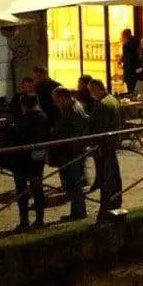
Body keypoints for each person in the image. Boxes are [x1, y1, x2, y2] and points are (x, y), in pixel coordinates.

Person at [81, 75, 125, 217]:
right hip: (113, 142)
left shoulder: (102, 105)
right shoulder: (113, 100)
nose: (91, 94)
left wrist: (93, 141)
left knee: (108, 175)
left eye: (92, 90)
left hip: (105, 144)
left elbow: (100, 127)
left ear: (98, 88)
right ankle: (115, 200)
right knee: (113, 174)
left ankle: (108, 205)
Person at [6, 91, 50, 229]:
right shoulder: (43, 118)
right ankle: (39, 219)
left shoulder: (20, 121)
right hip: (37, 159)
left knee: (21, 190)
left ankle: (24, 221)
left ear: (23, 105)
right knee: (38, 189)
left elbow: (14, 140)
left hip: (21, 161)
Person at [49, 85, 90, 221]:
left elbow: (72, 133)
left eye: (55, 99)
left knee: (74, 183)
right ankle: (77, 211)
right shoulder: (73, 107)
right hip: (73, 151)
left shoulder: (72, 111)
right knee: (73, 183)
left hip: (72, 152)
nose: (54, 103)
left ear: (62, 98)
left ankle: (78, 212)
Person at [120, 29, 143, 96]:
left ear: (125, 35)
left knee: (131, 88)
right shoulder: (138, 42)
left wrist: (121, 62)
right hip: (137, 70)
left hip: (129, 71)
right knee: (137, 88)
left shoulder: (126, 44)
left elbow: (126, 58)